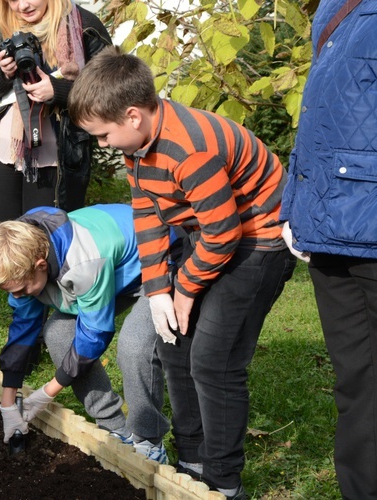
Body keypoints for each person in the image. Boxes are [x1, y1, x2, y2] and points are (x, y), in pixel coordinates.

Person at [68, 47, 296, 499]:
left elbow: (225, 234)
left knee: (215, 361)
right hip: (207, 234)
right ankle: (192, 459)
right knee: (173, 341)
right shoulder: (139, 144)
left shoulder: (189, 147)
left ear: (132, 115)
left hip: (259, 241)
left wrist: (185, 289)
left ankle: (224, 482)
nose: (103, 144)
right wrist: (158, 290)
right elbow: (148, 214)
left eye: (104, 134)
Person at [0, 204, 171, 464]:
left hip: (160, 260)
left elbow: (95, 333)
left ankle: (149, 440)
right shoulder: (23, 249)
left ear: (40, 264)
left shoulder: (84, 261)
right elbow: (23, 327)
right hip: (113, 270)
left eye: (22, 289)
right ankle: (115, 427)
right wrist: (8, 403)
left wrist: (48, 391)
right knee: (58, 333)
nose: (16, 296)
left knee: (135, 345)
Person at [280, 1, 377, 497]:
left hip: (368, 224)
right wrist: (294, 205)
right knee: (357, 383)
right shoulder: (336, 9)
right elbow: (321, 119)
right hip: (329, 226)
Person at [0, 0, 111, 223]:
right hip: (2, 149)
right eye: (12, 1)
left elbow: (109, 91)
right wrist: (3, 74)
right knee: (3, 237)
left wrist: (58, 90)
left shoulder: (84, 26)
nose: (22, 6)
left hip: (56, 154)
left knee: (44, 240)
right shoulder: (4, 23)